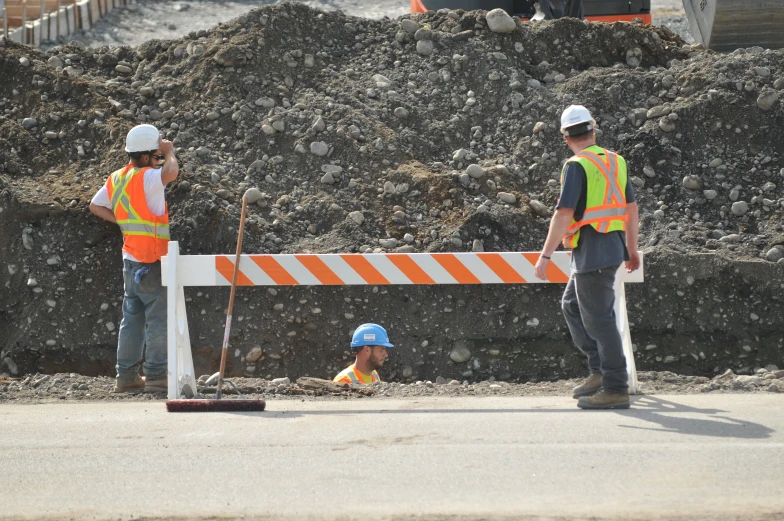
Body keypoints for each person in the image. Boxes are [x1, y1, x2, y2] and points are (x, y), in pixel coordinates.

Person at [534, 105, 640, 410]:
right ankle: (598, 371)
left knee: (600, 321)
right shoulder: (616, 162)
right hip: (607, 248)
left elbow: (564, 213)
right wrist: (631, 250)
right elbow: (631, 210)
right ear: (593, 130)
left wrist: (545, 255)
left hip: (593, 253)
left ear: (566, 137)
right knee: (571, 304)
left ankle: (616, 386)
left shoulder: (577, 165)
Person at [89, 124, 179, 393]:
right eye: (155, 154)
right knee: (157, 319)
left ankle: (126, 377)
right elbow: (171, 171)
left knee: (132, 319)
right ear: (143, 157)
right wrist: (170, 151)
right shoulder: (148, 177)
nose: (158, 159)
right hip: (151, 260)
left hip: (130, 259)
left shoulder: (116, 178)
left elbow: (95, 205)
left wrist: (124, 222)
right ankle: (155, 375)